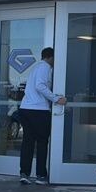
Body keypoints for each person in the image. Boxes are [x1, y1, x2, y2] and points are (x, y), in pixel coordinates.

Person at [18, 47, 66, 185]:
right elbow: (40, 86)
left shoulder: (35, 68)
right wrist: (56, 99)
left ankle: (24, 173)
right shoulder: (45, 68)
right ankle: (40, 175)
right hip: (38, 110)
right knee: (42, 142)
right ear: (51, 57)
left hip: (25, 108)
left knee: (28, 142)